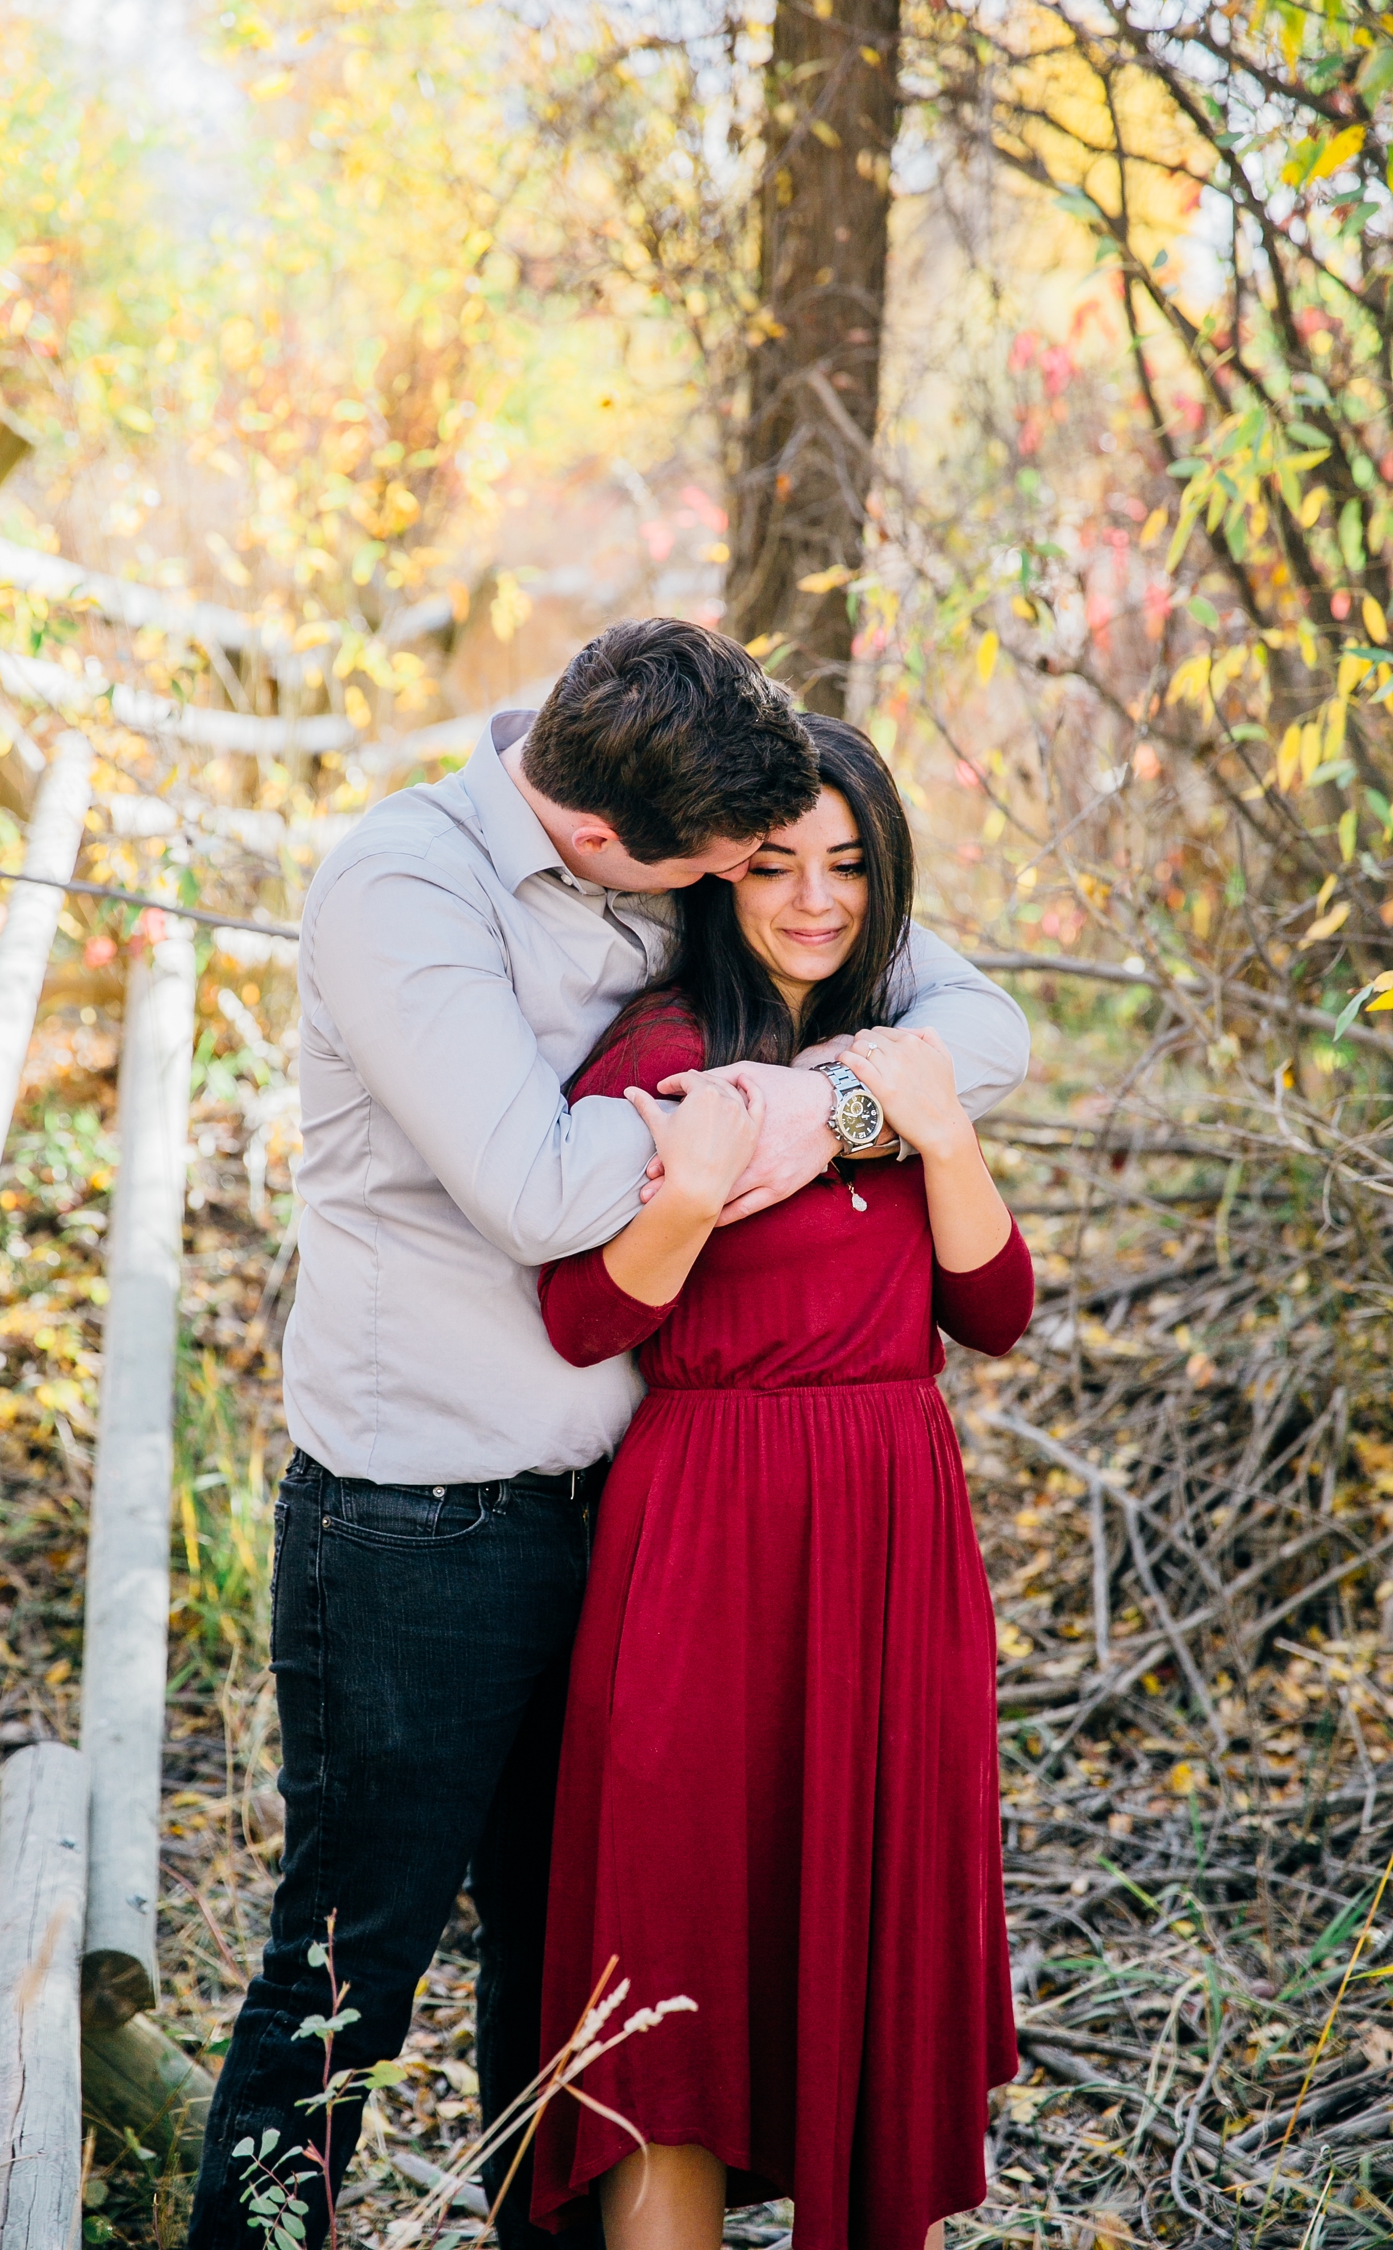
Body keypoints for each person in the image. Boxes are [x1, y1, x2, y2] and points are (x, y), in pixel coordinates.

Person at [187, 622, 1029, 2250]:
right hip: (420, 1526)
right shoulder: (405, 892)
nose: (759, 896)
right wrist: (719, 1127)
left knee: (579, 1981)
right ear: (606, 845)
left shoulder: (679, 823)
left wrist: (830, 1098)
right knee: (350, 1970)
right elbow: (537, 1191)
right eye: (732, 869)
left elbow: (968, 1020)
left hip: (633, 1527)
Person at [531, 717, 1034, 2250]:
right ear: (718, 877)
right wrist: (686, 1192)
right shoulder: (662, 1052)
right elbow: (583, 1319)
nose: (814, 895)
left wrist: (942, 1135)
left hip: (891, 1530)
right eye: (774, 864)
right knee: (674, 1965)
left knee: (873, 1948)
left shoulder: (905, 1044)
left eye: (848, 861)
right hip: (704, 1537)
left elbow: (995, 1311)